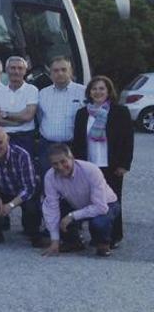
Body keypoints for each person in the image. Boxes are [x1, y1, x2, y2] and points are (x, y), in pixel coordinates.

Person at [72, 75, 133, 246]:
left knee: (112, 201)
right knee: (94, 200)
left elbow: (128, 141)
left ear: (108, 91)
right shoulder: (82, 114)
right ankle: (98, 236)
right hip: (89, 165)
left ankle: (114, 236)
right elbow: (77, 142)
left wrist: (124, 164)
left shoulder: (120, 112)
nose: (97, 92)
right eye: (94, 89)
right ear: (89, 92)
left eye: (101, 88)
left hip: (112, 166)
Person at [41, 144, 121, 258]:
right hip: (77, 204)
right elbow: (51, 207)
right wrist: (55, 240)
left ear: (72, 158)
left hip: (106, 204)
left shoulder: (91, 169)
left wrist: (72, 216)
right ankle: (74, 242)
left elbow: (100, 207)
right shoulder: (50, 176)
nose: (60, 167)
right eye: (55, 164)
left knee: (99, 223)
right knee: (49, 208)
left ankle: (103, 243)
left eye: (63, 161)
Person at [0, 126, 44, 246]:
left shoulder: (22, 155)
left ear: (8, 139)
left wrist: (10, 205)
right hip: (1, 190)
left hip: (22, 192)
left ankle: (32, 231)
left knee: (32, 203)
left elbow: (29, 188)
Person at [37, 56, 85, 171]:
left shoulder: (83, 92)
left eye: (64, 70)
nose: (60, 73)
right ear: (50, 73)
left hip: (73, 146)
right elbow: (40, 117)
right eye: (56, 70)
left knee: (74, 181)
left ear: (71, 71)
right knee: (48, 180)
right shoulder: (43, 93)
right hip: (47, 147)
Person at [0, 56, 39, 156]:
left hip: (25, 138)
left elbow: (28, 116)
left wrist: (5, 114)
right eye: (12, 68)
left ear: (25, 71)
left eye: (20, 68)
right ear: (7, 70)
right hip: (2, 138)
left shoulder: (32, 90)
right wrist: (15, 123)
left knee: (23, 169)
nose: (16, 71)